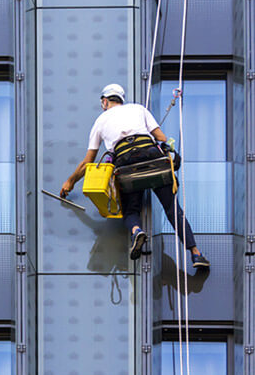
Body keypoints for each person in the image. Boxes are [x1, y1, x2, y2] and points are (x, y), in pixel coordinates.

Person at [60, 84, 210, 268]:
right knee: (172, 208)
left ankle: (136, 230)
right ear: (121, 100)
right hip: (153, 160)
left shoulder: (100, 121)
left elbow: (88, 163)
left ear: (105, 101)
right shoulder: (139, 109)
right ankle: (196, 254)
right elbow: (162, 138)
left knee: (131, 210)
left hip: (127, 166)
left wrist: (70, 182)